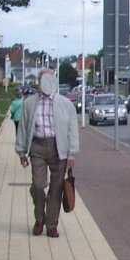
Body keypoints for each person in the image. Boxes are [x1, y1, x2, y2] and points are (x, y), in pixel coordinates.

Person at [15, 69, 80, 239]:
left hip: (59, 148)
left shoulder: (65, 104)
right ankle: (39, 219)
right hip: (37, 147)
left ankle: (51, 225)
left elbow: (72, 130)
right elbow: (23, 127)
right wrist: (21, 151)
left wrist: (72, 154)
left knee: (56, 188)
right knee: (38, 185)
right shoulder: (29, 103)